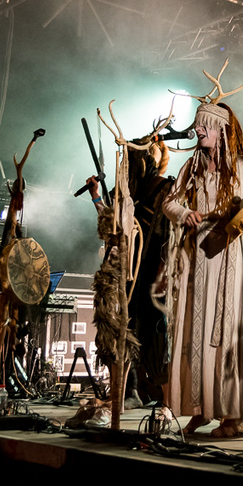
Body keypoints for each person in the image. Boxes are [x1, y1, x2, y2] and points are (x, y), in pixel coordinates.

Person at [161, 101, 243, 438]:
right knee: (195, 330)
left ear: (223, 129)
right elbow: (169, 201)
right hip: (199, 257)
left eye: (206, 124)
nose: (198, 129)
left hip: (232, 258)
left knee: (227, 334)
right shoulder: (191, 168)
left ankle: (236, 415)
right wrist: (185, 214)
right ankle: (202, 407)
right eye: (197, 124)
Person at [86, 139, 175, 408]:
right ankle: (129, 390)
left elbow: (171, 236)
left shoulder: (166, 188)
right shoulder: (127, 190)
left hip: (152, 272)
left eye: (146, 155)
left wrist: (165, 272)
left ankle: (168, 398)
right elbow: (110, 223)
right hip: (127, 271)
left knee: (155, 333)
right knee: (125, 328)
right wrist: (96, 195)